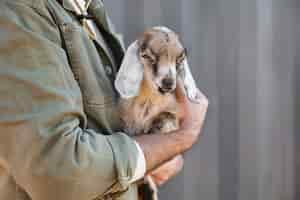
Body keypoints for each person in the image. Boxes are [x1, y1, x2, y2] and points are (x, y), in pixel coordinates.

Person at [0, 0, 208, 199]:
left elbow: (108, 126)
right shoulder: (21, 12)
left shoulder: (86, 9)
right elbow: (58, 170)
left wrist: (156, 150)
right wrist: (181, 137)